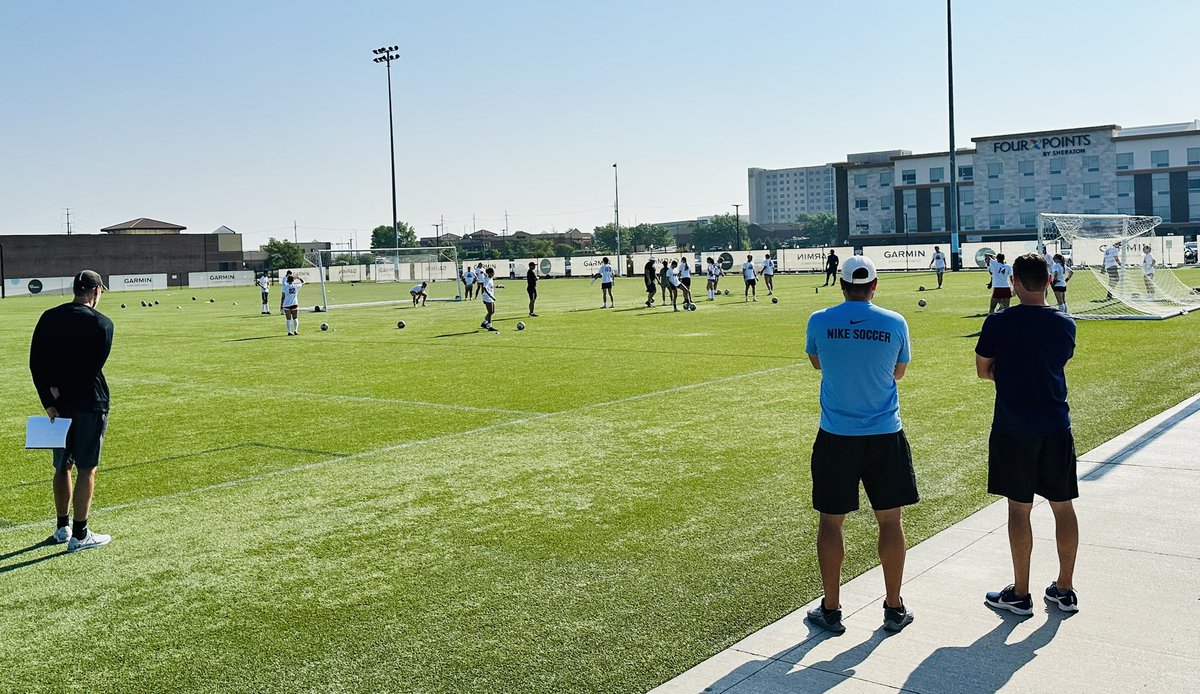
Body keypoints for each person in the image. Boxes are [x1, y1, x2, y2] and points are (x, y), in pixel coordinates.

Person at [804, 255, 916, 634]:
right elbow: (898, 372)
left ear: (841, 283)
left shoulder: (819, 320)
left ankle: (832, 609)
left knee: (831, 521)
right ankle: (893, 607)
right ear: (875, 285)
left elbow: (817, 363)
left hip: (836, 437)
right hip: (885, 434)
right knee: (890, 520)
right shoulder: (895, 321)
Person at [976, 253, 1080, 616]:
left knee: (1019, 509)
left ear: (1015, 283)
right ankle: (1064, 588)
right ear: (1049, 282)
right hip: (1054, 425)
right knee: (1062, 506)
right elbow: (1058, 361)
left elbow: (982, 370)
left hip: (1013, 427)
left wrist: (1007, 373)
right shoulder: (1065, 324)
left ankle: (1020, 593)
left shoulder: (998, 323)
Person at [29, 270, 115, 552]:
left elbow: (36, 363)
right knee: (87, 468)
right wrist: (61, 391)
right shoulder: (102, 324)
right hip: (90, 403)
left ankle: (62, 527)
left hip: (59, 407)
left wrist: (50, 399)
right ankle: (80, 534)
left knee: (62, 465)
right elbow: (90, 369)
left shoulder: (48, 317)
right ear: (95, 292)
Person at [479, 267, 498, 331]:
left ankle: (484, 323)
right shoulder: (486, 279)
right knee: (490, 312)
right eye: (493, 272)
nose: (494, 273)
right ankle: (489, 326)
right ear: (489, 273)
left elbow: (491, 286)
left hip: (490, 297)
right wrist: (490, 296)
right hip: (487, 297)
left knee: (492, 311)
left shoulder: (490, 278)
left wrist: (497, 286)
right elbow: (484, 288)